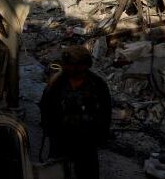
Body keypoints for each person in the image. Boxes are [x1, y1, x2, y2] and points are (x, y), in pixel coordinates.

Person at [39, 45, 111, 179]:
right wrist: (49, 130)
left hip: (86, 140)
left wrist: (100, 136)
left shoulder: (97, 84)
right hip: (60, 137)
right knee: (56, 172)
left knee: (87, 172)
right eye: (68, 64)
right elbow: (46, 107)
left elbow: (105, 113)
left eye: (74, 65)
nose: (70, 68)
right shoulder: (56, 83)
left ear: (85, 65)